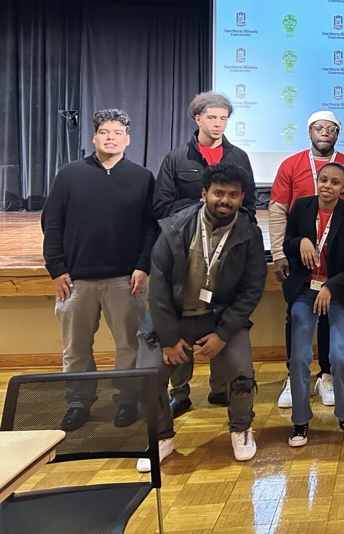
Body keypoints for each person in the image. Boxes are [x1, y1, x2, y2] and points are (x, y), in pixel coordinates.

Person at [137, 164, 267, 470]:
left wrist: (223, 333)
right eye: (219, 193)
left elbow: (251, 289)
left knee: (241, 373)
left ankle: (241, 428)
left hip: (220, 318)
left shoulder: (249, 232)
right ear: (204, 194)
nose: (226, 200)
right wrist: (168, 340)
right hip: (172, 317)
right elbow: (159, 290)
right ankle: (161, 436)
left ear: (242, 197)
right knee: (147, 379)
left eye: (233, 195)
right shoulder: (174, 228)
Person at [41, 109, 158, 431]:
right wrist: (56, 267)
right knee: (76, 349)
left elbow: (151, 228)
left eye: (117, 132)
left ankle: (126, 401)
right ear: (94, 137)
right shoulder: (69, 174)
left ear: (128, 139)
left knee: (129, 346)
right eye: (105, 132)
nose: (111, 137)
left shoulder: (142, 177)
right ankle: (78, 402)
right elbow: (51, 223)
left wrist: (142, 266)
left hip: (126, 279)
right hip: (75, 281)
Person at [153, 91, 256, 416]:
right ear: (197, 119)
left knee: (217, 317)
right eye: (212, 117)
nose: (218, 123)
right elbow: (162, 206)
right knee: (184, 317)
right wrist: (200, 212)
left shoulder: (238, 157)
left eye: (223, 118)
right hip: (187, 255)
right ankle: (180, 393)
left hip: (225, 254)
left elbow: (250, 205)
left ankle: (219, 389)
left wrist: (228, 219)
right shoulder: (176, 158)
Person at [269, 110, 344, 411]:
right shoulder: (291, 164)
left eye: (331, 128)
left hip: (335, 265)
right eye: (318, 128)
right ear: (309, 132)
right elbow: (278, 210)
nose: (324, 132)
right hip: (301, 263)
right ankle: (294, 378)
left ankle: (327, 375)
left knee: (331, 319)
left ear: (338, 133)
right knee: (297, 317)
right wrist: (280, 252)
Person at [282, 162, 344, 446]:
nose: (327, 186)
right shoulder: (301, 208)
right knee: (299, 358)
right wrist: (301, 242)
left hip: (339, 291)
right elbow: (287, 243)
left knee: (341, 357)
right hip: (306, 290)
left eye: (334, 182)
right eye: (323, 180)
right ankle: (300, 421)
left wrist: (331, 286)